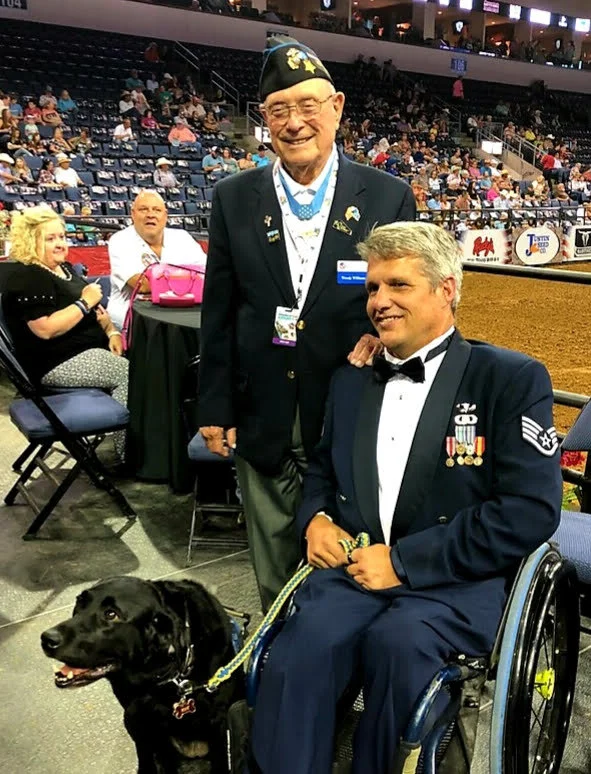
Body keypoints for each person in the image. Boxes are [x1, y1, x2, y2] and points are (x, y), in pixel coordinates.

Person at [249, 221, 562, 773]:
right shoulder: (348, 380)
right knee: (297, 655)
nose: (379, 301)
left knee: (399, 647)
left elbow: (529, 509)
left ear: (447, 289)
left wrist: (402, 562)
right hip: (352, 573)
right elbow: (321, 469)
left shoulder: (510, 379)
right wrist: (315, 519)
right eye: (372, 288)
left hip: (452, 583)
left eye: (398, 285)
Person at [198, 35, 415, 613]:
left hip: (350, 405)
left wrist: (383, 331)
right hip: (260, 406)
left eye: (308, 107)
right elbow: (218, 310)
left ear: (337, 108)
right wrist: (214, 406)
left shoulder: (388, 196)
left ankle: (329, 662)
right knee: (271, 550)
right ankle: (276, 656)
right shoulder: (233, 197)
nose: (294, 123)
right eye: (278, 111)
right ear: (264, 121)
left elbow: (411, 293)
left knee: (343, 550)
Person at [2, 207, 127, 457]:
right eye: (50, 239)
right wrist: (84, 303)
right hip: (55, 362)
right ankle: (129, 452)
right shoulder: (29, 276)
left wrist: (112, 332)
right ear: (29, 242)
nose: (60, 243)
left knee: (149, 356)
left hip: (90, 348)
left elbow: (98, 311)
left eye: (61, 236)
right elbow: (45, 329)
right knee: (130, 373)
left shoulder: (66, 269)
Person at [106, 190, 207, 330]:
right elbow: (143, 286)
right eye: (143, 209)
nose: (150, 215)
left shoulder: (183, 238)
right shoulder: (120, 240)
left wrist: (168, 281)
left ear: (165, 216)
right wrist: (188, 282)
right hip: (133, 320)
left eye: (157, 210)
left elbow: (206, 276)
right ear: (133, 214)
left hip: (182, 314)